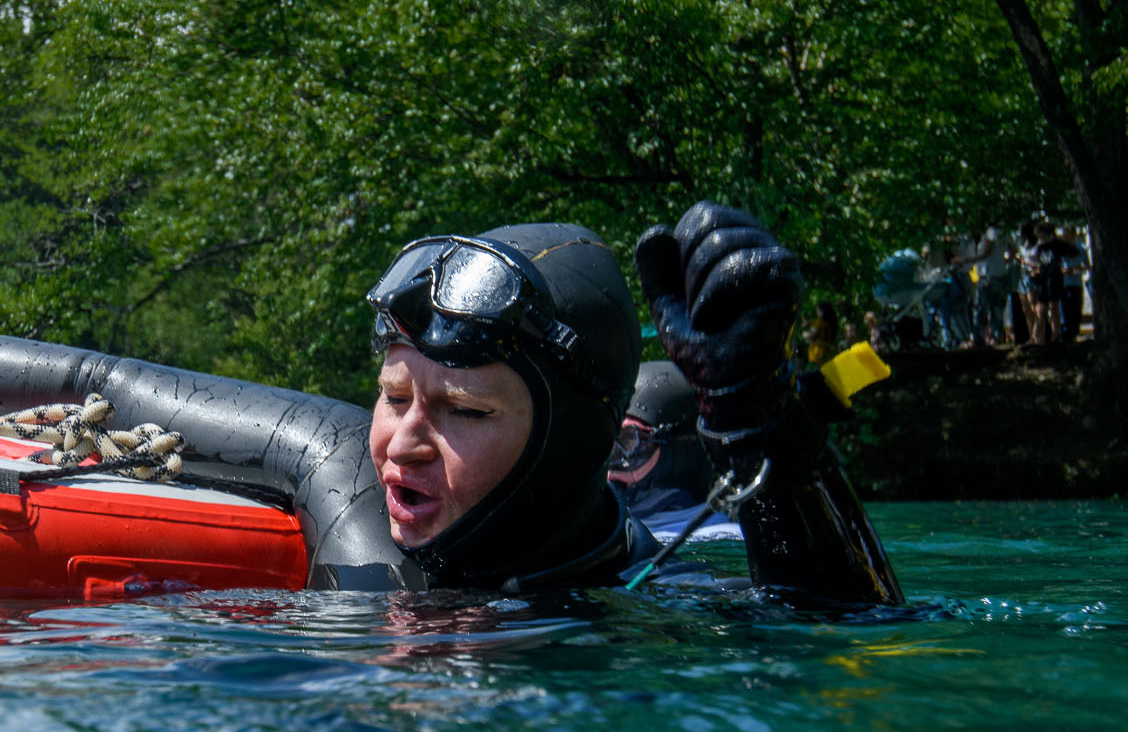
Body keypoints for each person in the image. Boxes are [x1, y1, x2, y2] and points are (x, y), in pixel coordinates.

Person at [365, 205, 901, 604]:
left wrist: (764, 430)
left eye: (465, 410)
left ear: (569, 440)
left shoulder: (670, 612)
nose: (403, 444)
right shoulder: (346, 520)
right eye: (394, 396)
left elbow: (841, 648)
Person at [606, 360, 734, 540]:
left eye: (627, 440)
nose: (608, 468)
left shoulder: (722, 539)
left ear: (681, 450)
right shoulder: (605, 531)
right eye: (606, 439)